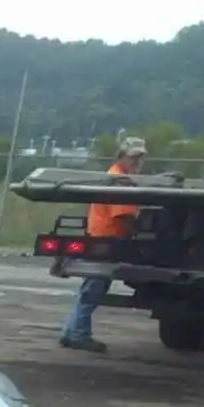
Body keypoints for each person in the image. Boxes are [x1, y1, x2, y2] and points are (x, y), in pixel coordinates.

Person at [60, 135, 147, 354]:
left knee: (90, 287)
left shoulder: (113, 176)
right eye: (133, 158)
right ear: (121, 157)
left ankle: (70, 332)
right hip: (107, 240)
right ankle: (79, 334)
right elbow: (124, 217)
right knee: (94, 288)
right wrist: (141, 237)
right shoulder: (120, 182)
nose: (137, 162)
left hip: (98, 237)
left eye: (140, 158)